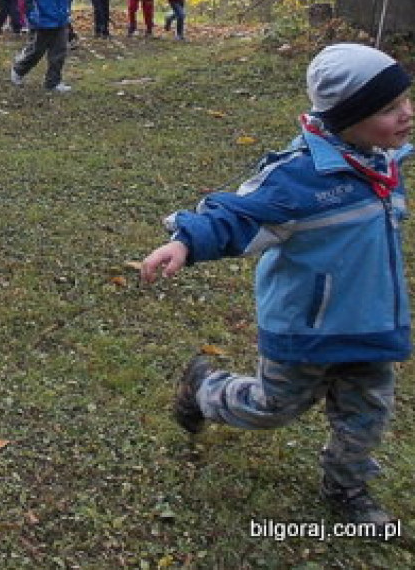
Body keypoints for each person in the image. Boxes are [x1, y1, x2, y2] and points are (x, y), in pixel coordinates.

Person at [140, 43, 413, 530]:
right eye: (390, 109)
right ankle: (204, 388)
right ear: (350, 116)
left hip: (371, 325)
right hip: (305, 330)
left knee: (367, 415)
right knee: (271, 409)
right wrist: (185, 242)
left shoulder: (381, 163)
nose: (407, 114)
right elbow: (238, 213)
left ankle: (347, 487)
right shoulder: (299, 179)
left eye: (406, 101)